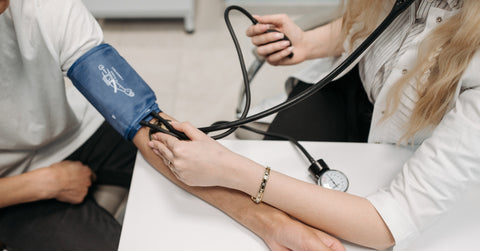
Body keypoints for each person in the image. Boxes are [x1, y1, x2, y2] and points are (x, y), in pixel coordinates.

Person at [0, 0, 346, 250]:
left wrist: (272, 222)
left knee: (183, 162)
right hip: (13, 184)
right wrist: (41, 184)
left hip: (83, 129)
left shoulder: (41, 7)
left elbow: (142, 120)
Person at [148, 0, 480, 250]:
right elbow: (380, 24)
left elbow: (389, 224)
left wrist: (229, 168)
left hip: (408, 150)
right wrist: (309, 44)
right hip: (349, 91)